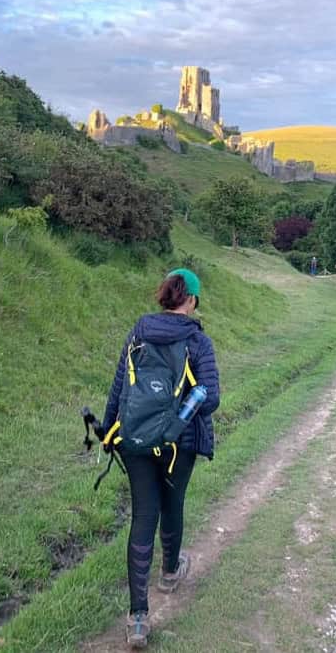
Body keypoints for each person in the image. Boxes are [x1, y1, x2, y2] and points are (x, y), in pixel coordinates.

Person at [102, 269, 220, 648]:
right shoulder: (197, 340)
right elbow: (210, 399)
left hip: (134, 438)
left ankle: (138, 618)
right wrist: (182, 415)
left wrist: (109, 432)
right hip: (177, 443)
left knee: (142, 516)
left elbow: (120, 385)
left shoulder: (139, 331)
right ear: (193, 300)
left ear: (164, 296)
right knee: (172, 506)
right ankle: (170, 573)